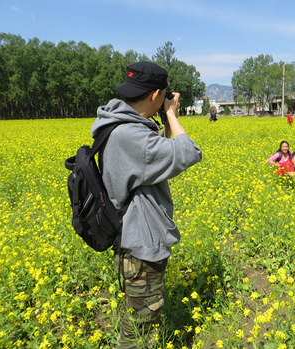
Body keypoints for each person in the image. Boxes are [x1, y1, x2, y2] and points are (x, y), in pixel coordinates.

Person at [91, 61, 202, 348]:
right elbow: (187, 152)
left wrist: (163, 121)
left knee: (140, 316)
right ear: (155, 95)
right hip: (140, 243)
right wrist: (171, 113)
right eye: (163, 95)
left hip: (136, 237)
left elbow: (152, 166)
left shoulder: (121, 125)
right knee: (139, 327)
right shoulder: (129, 135)